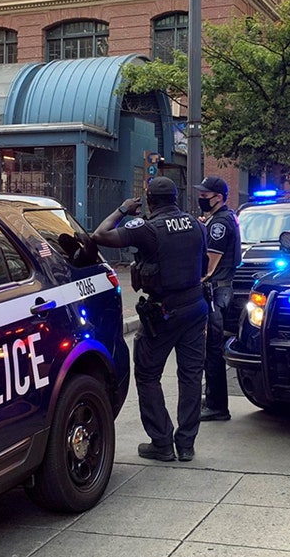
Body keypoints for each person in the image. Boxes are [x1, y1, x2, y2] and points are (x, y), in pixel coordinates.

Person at [91, 176, 208, 462]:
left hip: (163, 312)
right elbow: (203, 263)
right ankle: (187, 445)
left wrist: (122, 209)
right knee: (191, 376)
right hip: (195, 307)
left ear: (150, 200)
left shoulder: (148, 229)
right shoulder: (197, 225)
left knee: (147, 374)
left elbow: (99, 235)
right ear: (176, 199)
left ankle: (162, 442)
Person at [194, 176, 241, 422]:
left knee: (211, 350)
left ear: (218, 197)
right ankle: (213, 398)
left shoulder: (219, 224)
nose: (201, 199)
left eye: (205, 196)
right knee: (211, 349)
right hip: (223, 290)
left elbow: (208, 267)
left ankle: (217, 407)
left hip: (216, 291)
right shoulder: (225, 217)